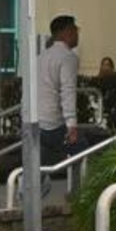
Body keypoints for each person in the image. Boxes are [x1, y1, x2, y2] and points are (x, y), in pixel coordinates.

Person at [37, 14, 81, 186]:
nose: (78, 34)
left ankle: (28, 194)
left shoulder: (41, 57)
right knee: (83, 150)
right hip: (53, 122)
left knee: (40, 162)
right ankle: (78, 196)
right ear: (66, 32)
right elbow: (68, 89)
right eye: (76, 30)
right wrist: (72, 124)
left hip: (34, 121)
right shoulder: (68, 57)